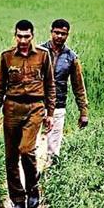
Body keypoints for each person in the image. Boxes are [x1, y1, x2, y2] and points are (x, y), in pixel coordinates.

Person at [0, 19, 56, 208]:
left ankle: (33, 190)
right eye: (19, 36)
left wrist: (50, 113)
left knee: (26, 149)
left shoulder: (43, 56)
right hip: (11, 108)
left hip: (35, 107)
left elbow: (50, 86)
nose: (23, 40)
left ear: (32, 36)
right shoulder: (7, 57)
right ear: (15, 36)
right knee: (11, 157)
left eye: (26, 36)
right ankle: (18, 200)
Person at [41, 19, 89, 162]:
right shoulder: (39, 52)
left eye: (63, 34)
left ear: (67, 35)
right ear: (51, 32)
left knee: (53, 150)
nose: (59, 36)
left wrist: (83, 112)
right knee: (31, 147)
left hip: (58, 106)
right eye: (57, 33)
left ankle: (49, 181)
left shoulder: (71, 57)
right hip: (36, 105)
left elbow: (78, 87)